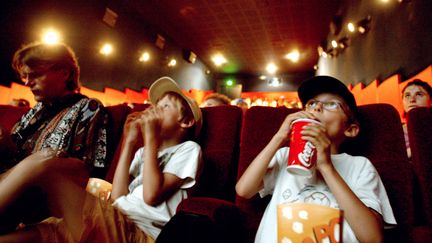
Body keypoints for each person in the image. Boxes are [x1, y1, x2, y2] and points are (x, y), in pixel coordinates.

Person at [0, 76, 203, 242]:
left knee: (47, 166)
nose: (154, 110)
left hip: (137, 232)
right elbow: (117, 197)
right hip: (111, 219)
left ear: (186, 121)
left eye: (165, 106)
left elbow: (151, 195)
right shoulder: (143, 152)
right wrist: (130, 143)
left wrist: (150, 139)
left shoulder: (188, 149)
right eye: (155, 105)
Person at [236, 76, 396, 243]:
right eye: (312, 103)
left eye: (332, 104)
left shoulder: (360, 166)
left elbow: (372, 238)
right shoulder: (285, 155)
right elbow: (244, 190)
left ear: (351, 129)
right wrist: (279, 137)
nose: (317, 107)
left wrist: (326, 167)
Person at [0, 42, 109, 232]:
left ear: (64, 73)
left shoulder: (89, 108)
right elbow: (13, 155)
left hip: (40, 200)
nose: (27, 82)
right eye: (25, 76)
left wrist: (36, 164)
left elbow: (88, 170)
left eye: (35, 75)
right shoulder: (34, 112)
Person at [401, 79, 432, 158]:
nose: (412, 100)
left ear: (430, 101)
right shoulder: (395, 132)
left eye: (419, 94)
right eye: (407, 95)